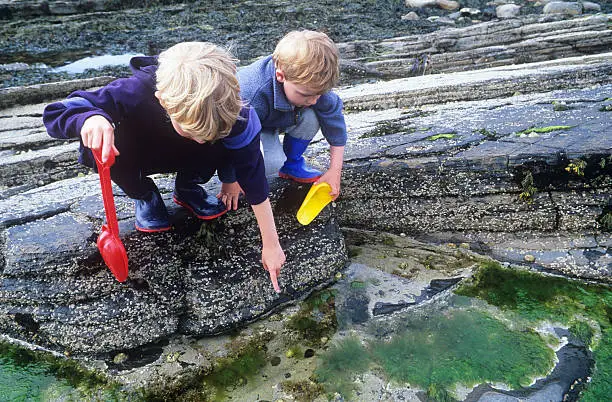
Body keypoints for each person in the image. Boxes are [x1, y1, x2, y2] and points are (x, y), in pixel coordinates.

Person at [43, 42, 285, 292]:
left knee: (223, 141)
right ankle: (144, 194)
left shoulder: (232, 110)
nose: (202, 139)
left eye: (207, 134)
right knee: (98, 145)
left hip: (191, 157)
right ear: (163, 101)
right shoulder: (134, 92)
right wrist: (90, 118)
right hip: (143, 149)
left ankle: (188, 186)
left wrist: (271, 244)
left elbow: (253, 177)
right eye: (194, 131)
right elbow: (57, 112)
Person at [217, 30, 347, 211]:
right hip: (250, 125)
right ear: (281, 75)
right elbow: (230, 135)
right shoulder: (251, 94)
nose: (314, 100)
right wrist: (230, 179)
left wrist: (335, 171)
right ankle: (269, 167)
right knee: (271, 163)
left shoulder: (313, 87)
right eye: (306, 94)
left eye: (319, 94)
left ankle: (292, 164)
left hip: (281, 117)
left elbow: (336, 126)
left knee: (313, 115)